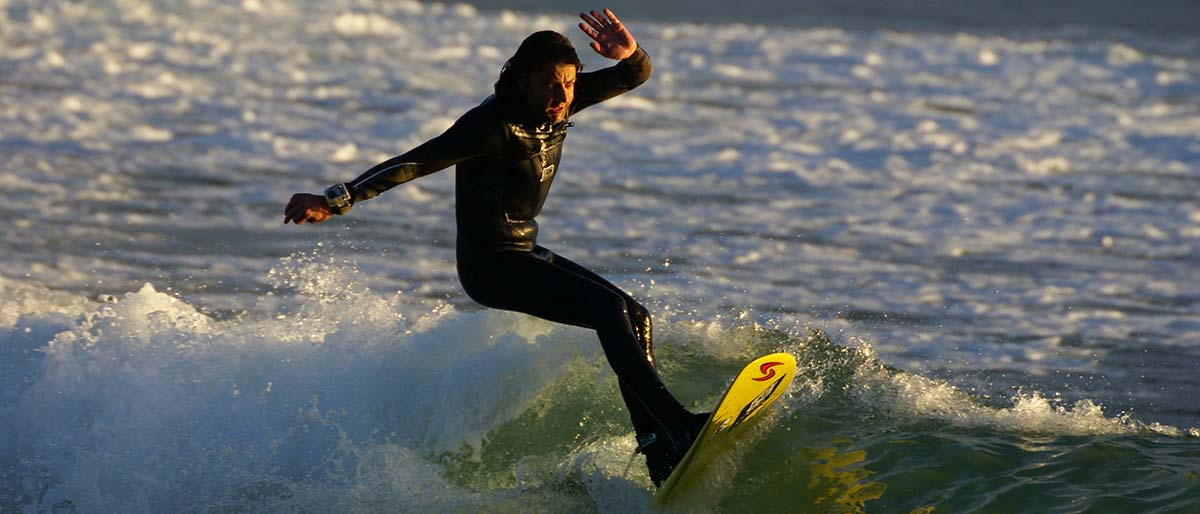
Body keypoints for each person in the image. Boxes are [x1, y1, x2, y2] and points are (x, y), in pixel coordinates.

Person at [283, 8, 706, 487]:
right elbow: (415, 162)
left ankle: (658, 447)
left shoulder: (565, 102)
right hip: (491, 266)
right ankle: (678, 425)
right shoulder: (490, 125)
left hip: (525, 250)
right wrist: (336, 199)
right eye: (549, 83)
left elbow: (634, 76)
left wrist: (630, 54)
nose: (561, 95)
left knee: (636, 316)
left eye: (568, 83)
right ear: (522, 80)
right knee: (609, 310)